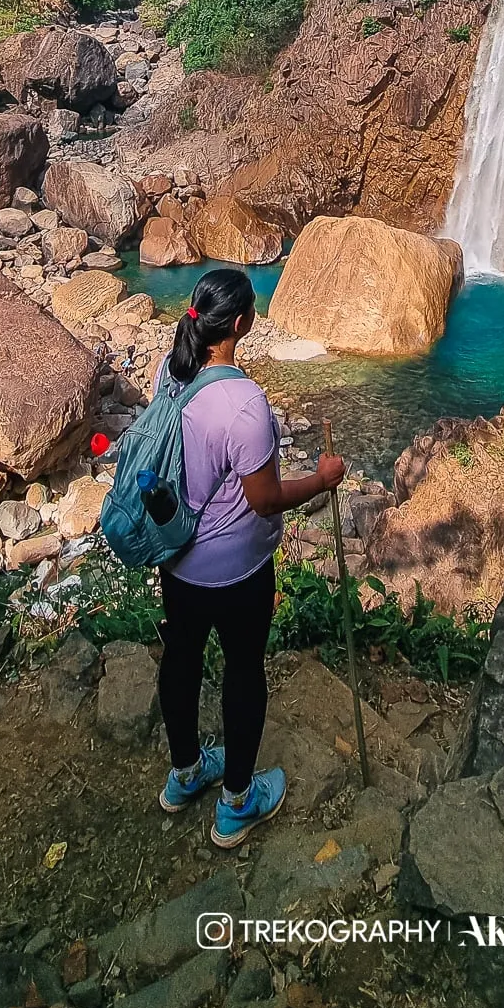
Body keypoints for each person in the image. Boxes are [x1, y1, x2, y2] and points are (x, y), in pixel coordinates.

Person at [153, 264, 345, 848]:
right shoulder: (245, 404)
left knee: (181, 661)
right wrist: (322, 480)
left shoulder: (171, 371)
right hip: (238, 571)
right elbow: (264, 500)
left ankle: (186, 774)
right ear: (241, 323)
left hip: (177, 560)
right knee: (242, 671)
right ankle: (237, 801)